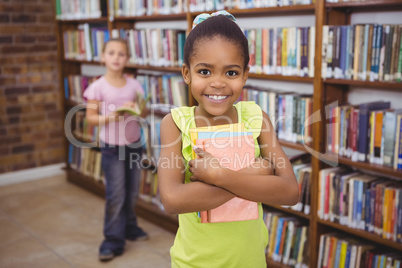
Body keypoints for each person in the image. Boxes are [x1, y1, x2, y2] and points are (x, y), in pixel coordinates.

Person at [157, 11, 299, 267]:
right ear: (186, 73)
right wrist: (254, 174)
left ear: (245, 75)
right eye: (204, 71)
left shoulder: (257, 119)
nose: (218, 83)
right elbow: (173, 200)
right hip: (193, 263)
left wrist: (219, 176)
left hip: (250, 261)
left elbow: (289, 191)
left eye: (231, 73)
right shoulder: (175, 124)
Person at [84, 38, 149, 262]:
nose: (116, 57)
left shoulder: (134, 85)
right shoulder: (97, 86)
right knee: (116, 195)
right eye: (111, 53)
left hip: (134, 146)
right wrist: (109, 117)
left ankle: (130, 228)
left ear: (127, 59)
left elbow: (144, 112)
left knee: (131, 193)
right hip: (112, 149)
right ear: (103, 57)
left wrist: (136, 110)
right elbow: (90, 118)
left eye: (121, 54)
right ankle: (112, 240)